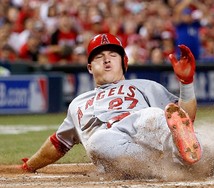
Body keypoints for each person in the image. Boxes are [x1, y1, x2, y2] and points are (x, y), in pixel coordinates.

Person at [21, 33, 202, 179]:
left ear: (124, 62)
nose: (107, 60)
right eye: (99, 57)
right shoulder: (78, 103)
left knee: (152, 116)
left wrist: (186, 83)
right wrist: (30, 165)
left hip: (145, 130)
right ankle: (167, 164)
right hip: (114, 147)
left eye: (113, 55)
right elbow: (58, 143)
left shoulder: (147, 86)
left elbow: (185, 118)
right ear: (90, 67)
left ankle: (185, 155)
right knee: (98, 141)